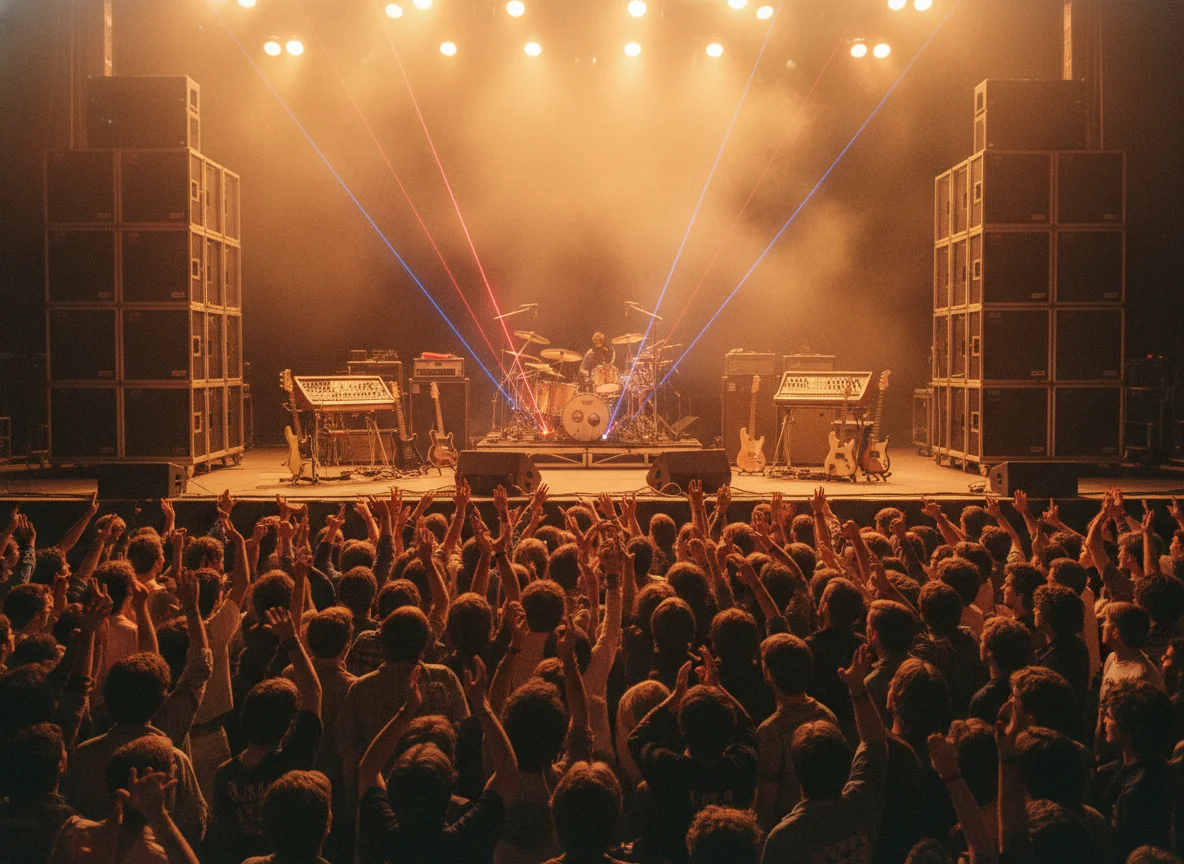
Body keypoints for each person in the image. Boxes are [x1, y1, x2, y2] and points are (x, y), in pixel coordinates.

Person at [760, 645, 889, 864]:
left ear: (797, 772)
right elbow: (876, 743)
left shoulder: (784, 838)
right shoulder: (861, 803)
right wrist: (858, 688)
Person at [755, 634, 837, 831]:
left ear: (769, 674)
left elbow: (766, 803)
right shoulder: (827, 715)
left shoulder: (770, 730)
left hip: (789, 829)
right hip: (826, 822)